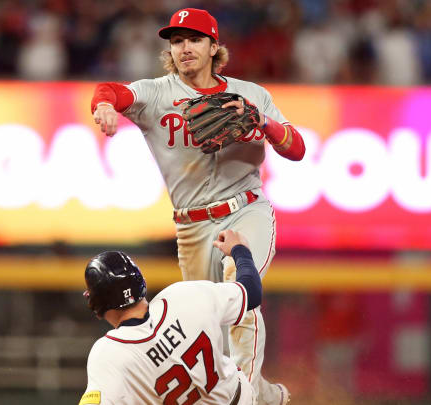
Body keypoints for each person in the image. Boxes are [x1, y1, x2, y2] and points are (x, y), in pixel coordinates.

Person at [90, 8, 304, 405]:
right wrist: (103, 106)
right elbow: (112, 90)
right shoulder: (156, 94)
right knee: (210, 334)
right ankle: (262, 393)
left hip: (246, 208)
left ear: (213, 47)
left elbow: (297, 149)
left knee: (240, 289)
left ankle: (252, 399)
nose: (184, 48)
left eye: (193, 39)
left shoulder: (250, 94)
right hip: (191, 227)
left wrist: (263, 122)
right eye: (176, 41)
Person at [80, 230, 264, 405]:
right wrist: (240, 249)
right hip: (242, 399)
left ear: (98, 304)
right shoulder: (183, 295)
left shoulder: (108, 354)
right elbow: (252, 293)